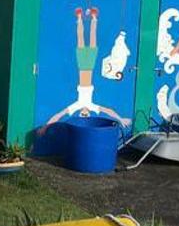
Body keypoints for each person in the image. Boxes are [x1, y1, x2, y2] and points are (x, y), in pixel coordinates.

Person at [37, 7, 129, 135]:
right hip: (89, 66)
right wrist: (120, 118)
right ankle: (94, 18)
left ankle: (79, 18)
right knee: (92, 40)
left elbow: (58, 115)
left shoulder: (77, 105)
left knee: (80, 39)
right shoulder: (91, 105)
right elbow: (108, 111)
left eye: (82, 115)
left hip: (82, 66)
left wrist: (45, 127)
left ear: (80, 113)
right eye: (86, 115)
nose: (84, 114)